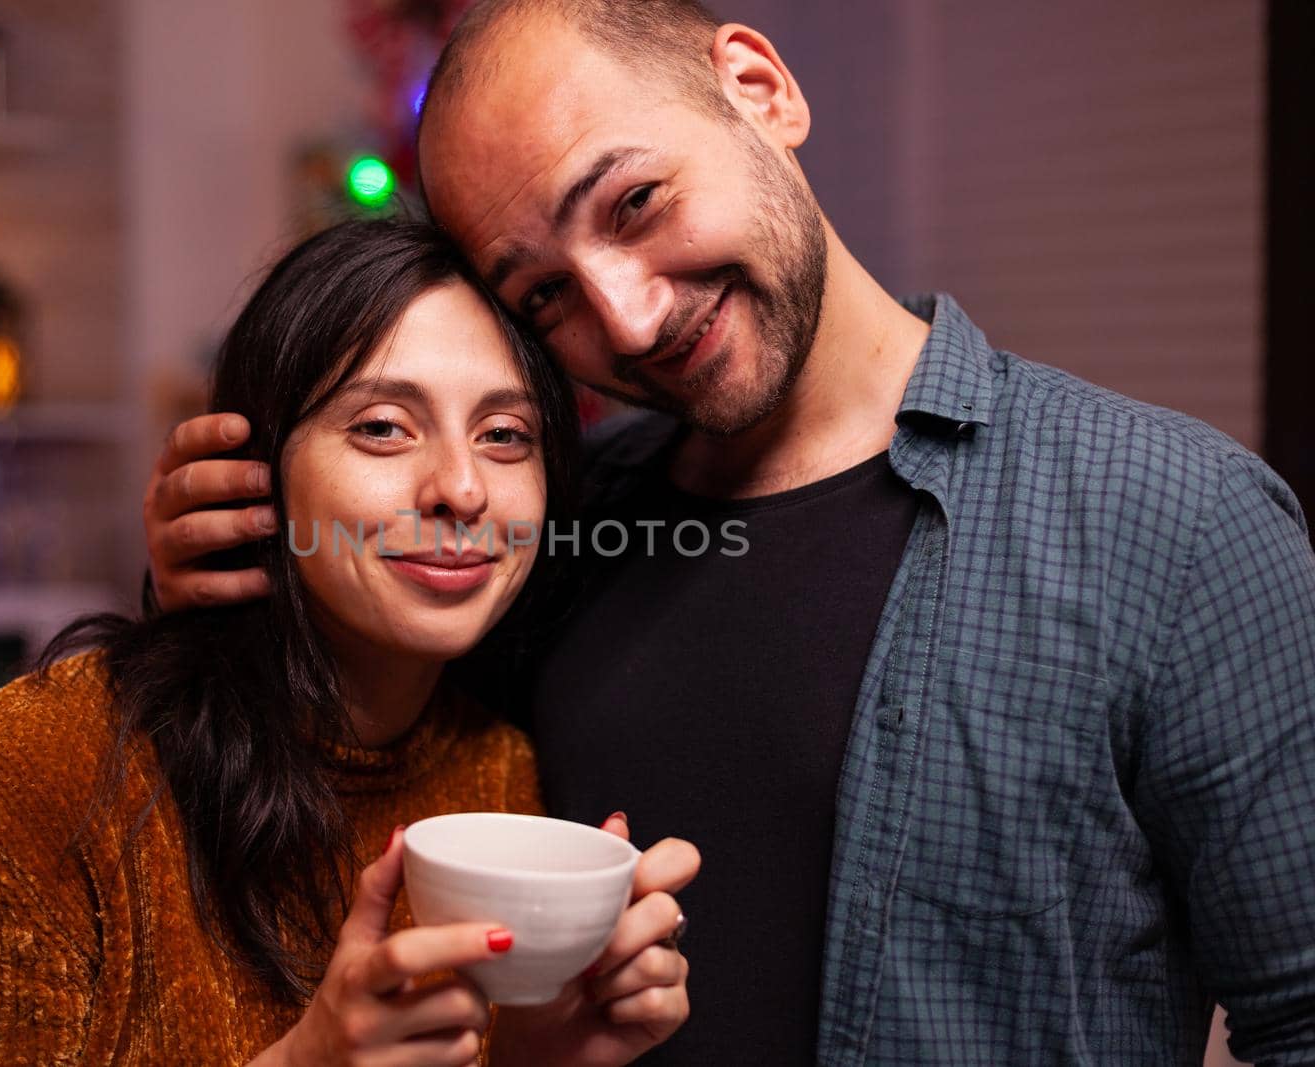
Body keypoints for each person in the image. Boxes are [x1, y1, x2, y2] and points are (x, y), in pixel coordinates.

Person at [142, 2, 1315, 1064]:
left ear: (760, 88)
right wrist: (247, 573)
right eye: (542, 294)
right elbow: (346, 750)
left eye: (635, 203)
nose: (629, 316)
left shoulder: (1179, 522)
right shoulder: (556, 527)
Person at [0, 220, 701, 1066]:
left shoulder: (501, 776)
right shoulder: (45, 770)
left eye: (506, 435)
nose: (462, 488)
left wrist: (535, 1056)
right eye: (381, 426)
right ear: (254, 473)